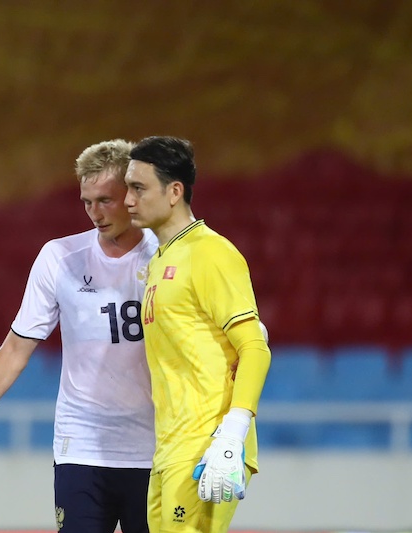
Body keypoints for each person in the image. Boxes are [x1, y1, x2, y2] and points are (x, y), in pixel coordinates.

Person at [0, 139, 158, 533]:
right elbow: (17, 347)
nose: (95, 213)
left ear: (132, 194)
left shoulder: (169, 256)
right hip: (82, 446)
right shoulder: (60, 258)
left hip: (156, 449)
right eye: (86, 201)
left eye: (105, 200)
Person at [123, 136, 271, 533]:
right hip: (169, 445)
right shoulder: (160, 261)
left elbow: (255, 348)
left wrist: (231, 438)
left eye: (138, 188)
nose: (127, 200)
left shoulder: (211, 252)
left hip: (207, 443)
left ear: (174, 191)